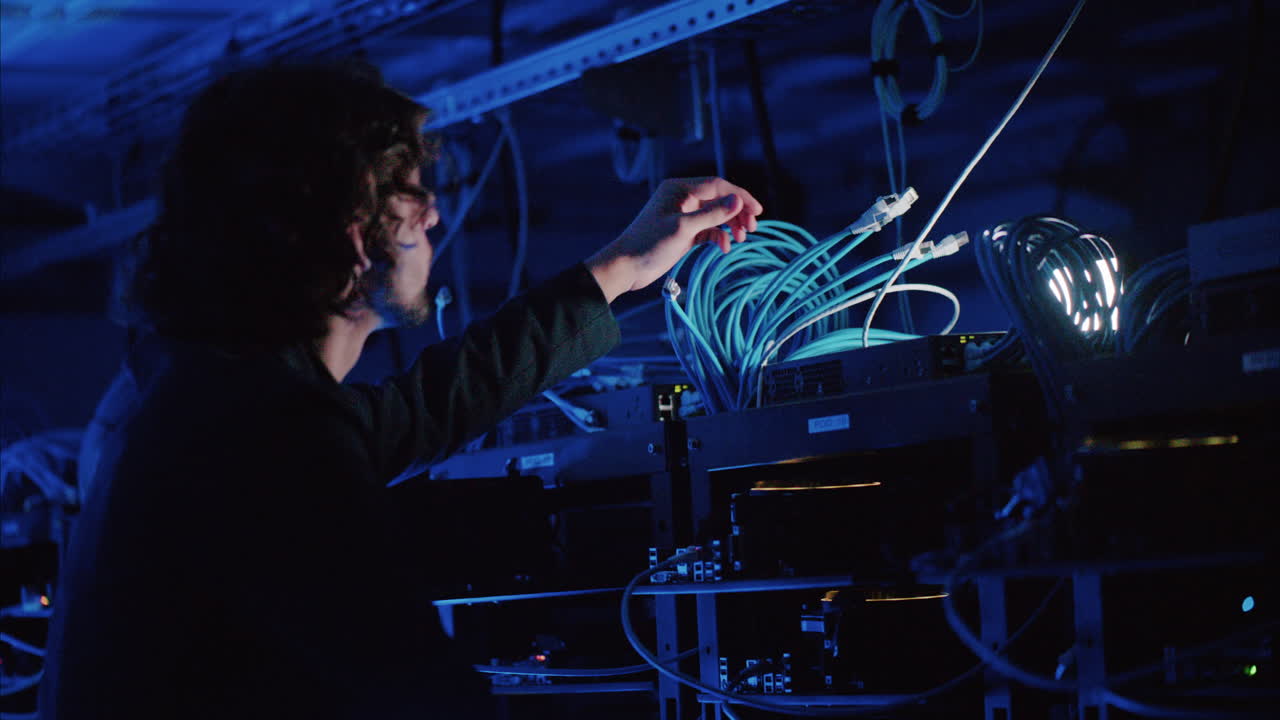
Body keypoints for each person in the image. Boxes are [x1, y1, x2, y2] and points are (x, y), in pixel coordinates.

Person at [39, 61, 762, 719]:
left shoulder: (198, 394)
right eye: (415, 193)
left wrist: (625, 265)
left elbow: (428, 405)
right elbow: (423, 694)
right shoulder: (264, 436)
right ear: (355, 229)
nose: (435, 215)